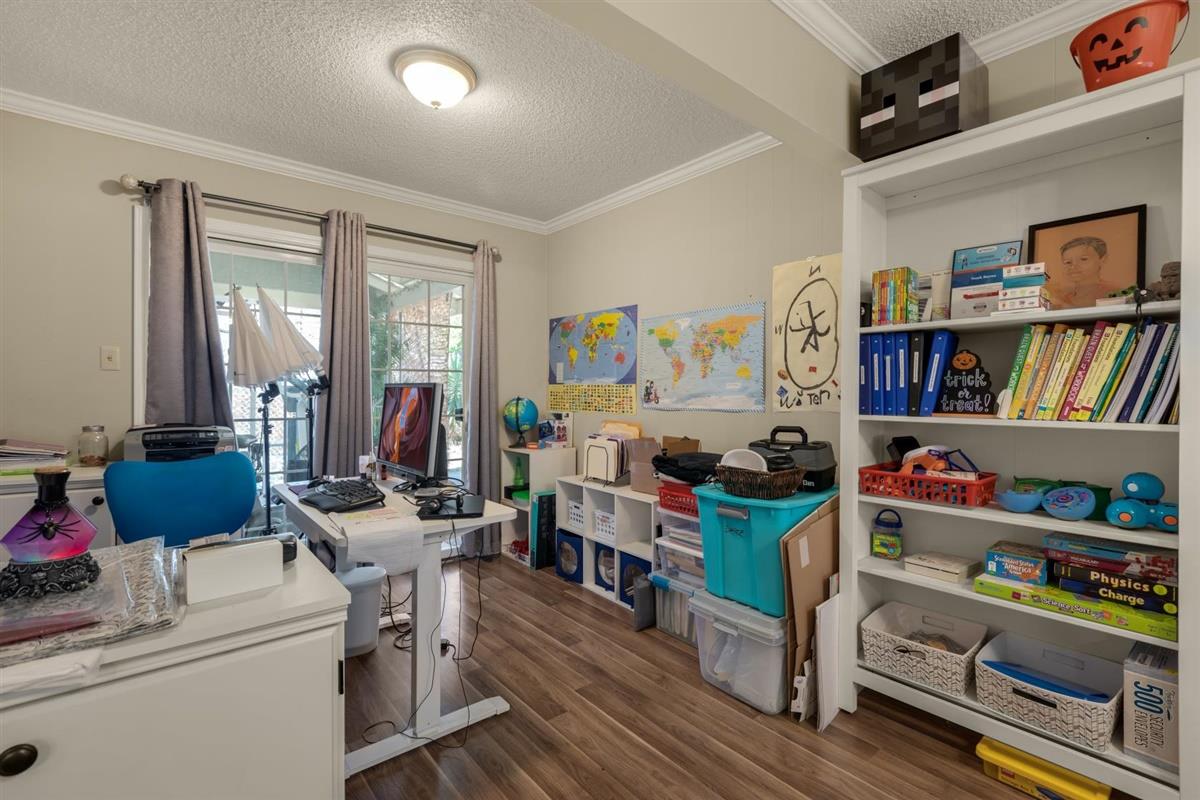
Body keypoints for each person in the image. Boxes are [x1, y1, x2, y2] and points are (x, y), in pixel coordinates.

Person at [1048, 235, 1121, 309]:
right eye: (1068, 262)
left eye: (1083, 259)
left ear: (1103, 259)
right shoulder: (1064, 296)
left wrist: (1064, 306)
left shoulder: (1112, 292)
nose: (1073, 266)